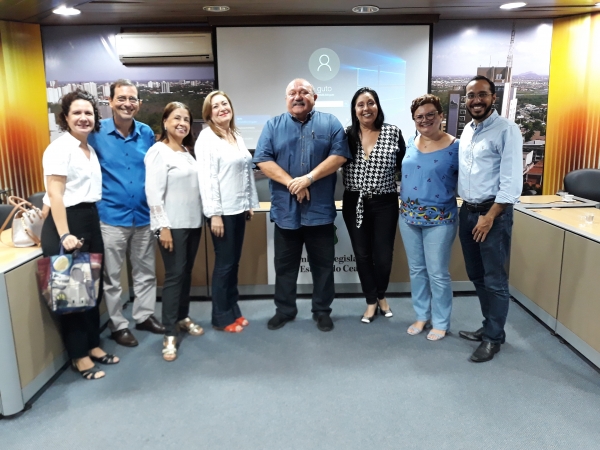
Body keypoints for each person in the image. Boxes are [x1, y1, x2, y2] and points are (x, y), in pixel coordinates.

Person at [253, 78, 351, 332]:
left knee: (323, 267)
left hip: (319, 212)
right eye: (292, 93)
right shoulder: (273, 125)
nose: (298, 96)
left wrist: (309, 178)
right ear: (286, 99)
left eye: (304, 92)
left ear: (315, 97)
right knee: (285, 267)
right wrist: (293, 183)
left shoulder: (330, 123)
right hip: (286, 212)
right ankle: (284, 310)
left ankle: (322, 311)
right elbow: (263, 159)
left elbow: (339, 155)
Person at [41, 89, 119, 380]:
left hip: (89, 218)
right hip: (68, 225)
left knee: (92, 290)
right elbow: (55, 194)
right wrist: (63, 235)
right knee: (72, 295)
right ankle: (79, 356)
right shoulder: (59, 149)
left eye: (88, 113)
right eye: (77, 113)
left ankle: (92, 345)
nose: (84, 118)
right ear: (65, 117)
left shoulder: (88, 149)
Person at [88, 79, 165, 347]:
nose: (127, 104)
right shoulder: (96, 134)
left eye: (132, 99)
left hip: (143, 216)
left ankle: (144, 316)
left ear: (139, 104)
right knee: (113, 277)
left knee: (146, 271)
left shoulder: (145, 133)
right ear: (110, 102)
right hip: (111, 216)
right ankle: (118, 324)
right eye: (121, 98)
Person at [457, 75, 523, 362]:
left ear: (493, 98)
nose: (476, 100)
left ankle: (494, 338)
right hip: (467, 212)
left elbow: (511, 183)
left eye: (482, 94)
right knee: (477, 276)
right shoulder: (469, 130)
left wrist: (490, 216)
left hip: (492, 216)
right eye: (471, 95)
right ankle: (490, 328)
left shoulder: (507, 130)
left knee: (495, 280)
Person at [196, 91, 260, 333]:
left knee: (233, 263)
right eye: (215, 106)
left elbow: (246, 171)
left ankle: (233, 310)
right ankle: (221, 317)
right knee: (224, 264)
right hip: (221, 213)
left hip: (238, 208)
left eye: (225, 103)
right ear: (208, 113)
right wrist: (214, 214)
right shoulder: (207, 138)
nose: (222, 108)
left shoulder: (235, 134)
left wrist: (249, 203)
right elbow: (208, 179)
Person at [145, 102, 203, 361]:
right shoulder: (159, 151)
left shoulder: (185, 151)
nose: (182, 123)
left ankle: (181, 317)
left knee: (185, 274)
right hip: (172, 226)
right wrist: (162, 227)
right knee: (174, 276)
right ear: (165, 121)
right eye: (176, 118)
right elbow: (153, 192)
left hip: (192, 223)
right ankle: (169, 332)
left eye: (186, 119)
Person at [342, 87, 405, 323]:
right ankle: (371, 301)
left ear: (377, 106)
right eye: (360, 104)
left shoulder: (393, 132)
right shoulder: (346, 134)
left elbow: (403, 166)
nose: (366, 108)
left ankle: (381, 296)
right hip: (354, 201)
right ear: (354, 109)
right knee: (362, 254)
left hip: (385, 202)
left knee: (384, 255)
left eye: (370, 103)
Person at [399, 94, 459, 341]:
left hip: (441, 219)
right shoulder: (412, 142)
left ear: (441, 115)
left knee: (437, 273)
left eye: (430, 114)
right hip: (408, 217)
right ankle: (422, 315)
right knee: (417, 270)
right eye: (419, 117)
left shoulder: (456, 146)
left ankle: (441, 321)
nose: (425, 120)